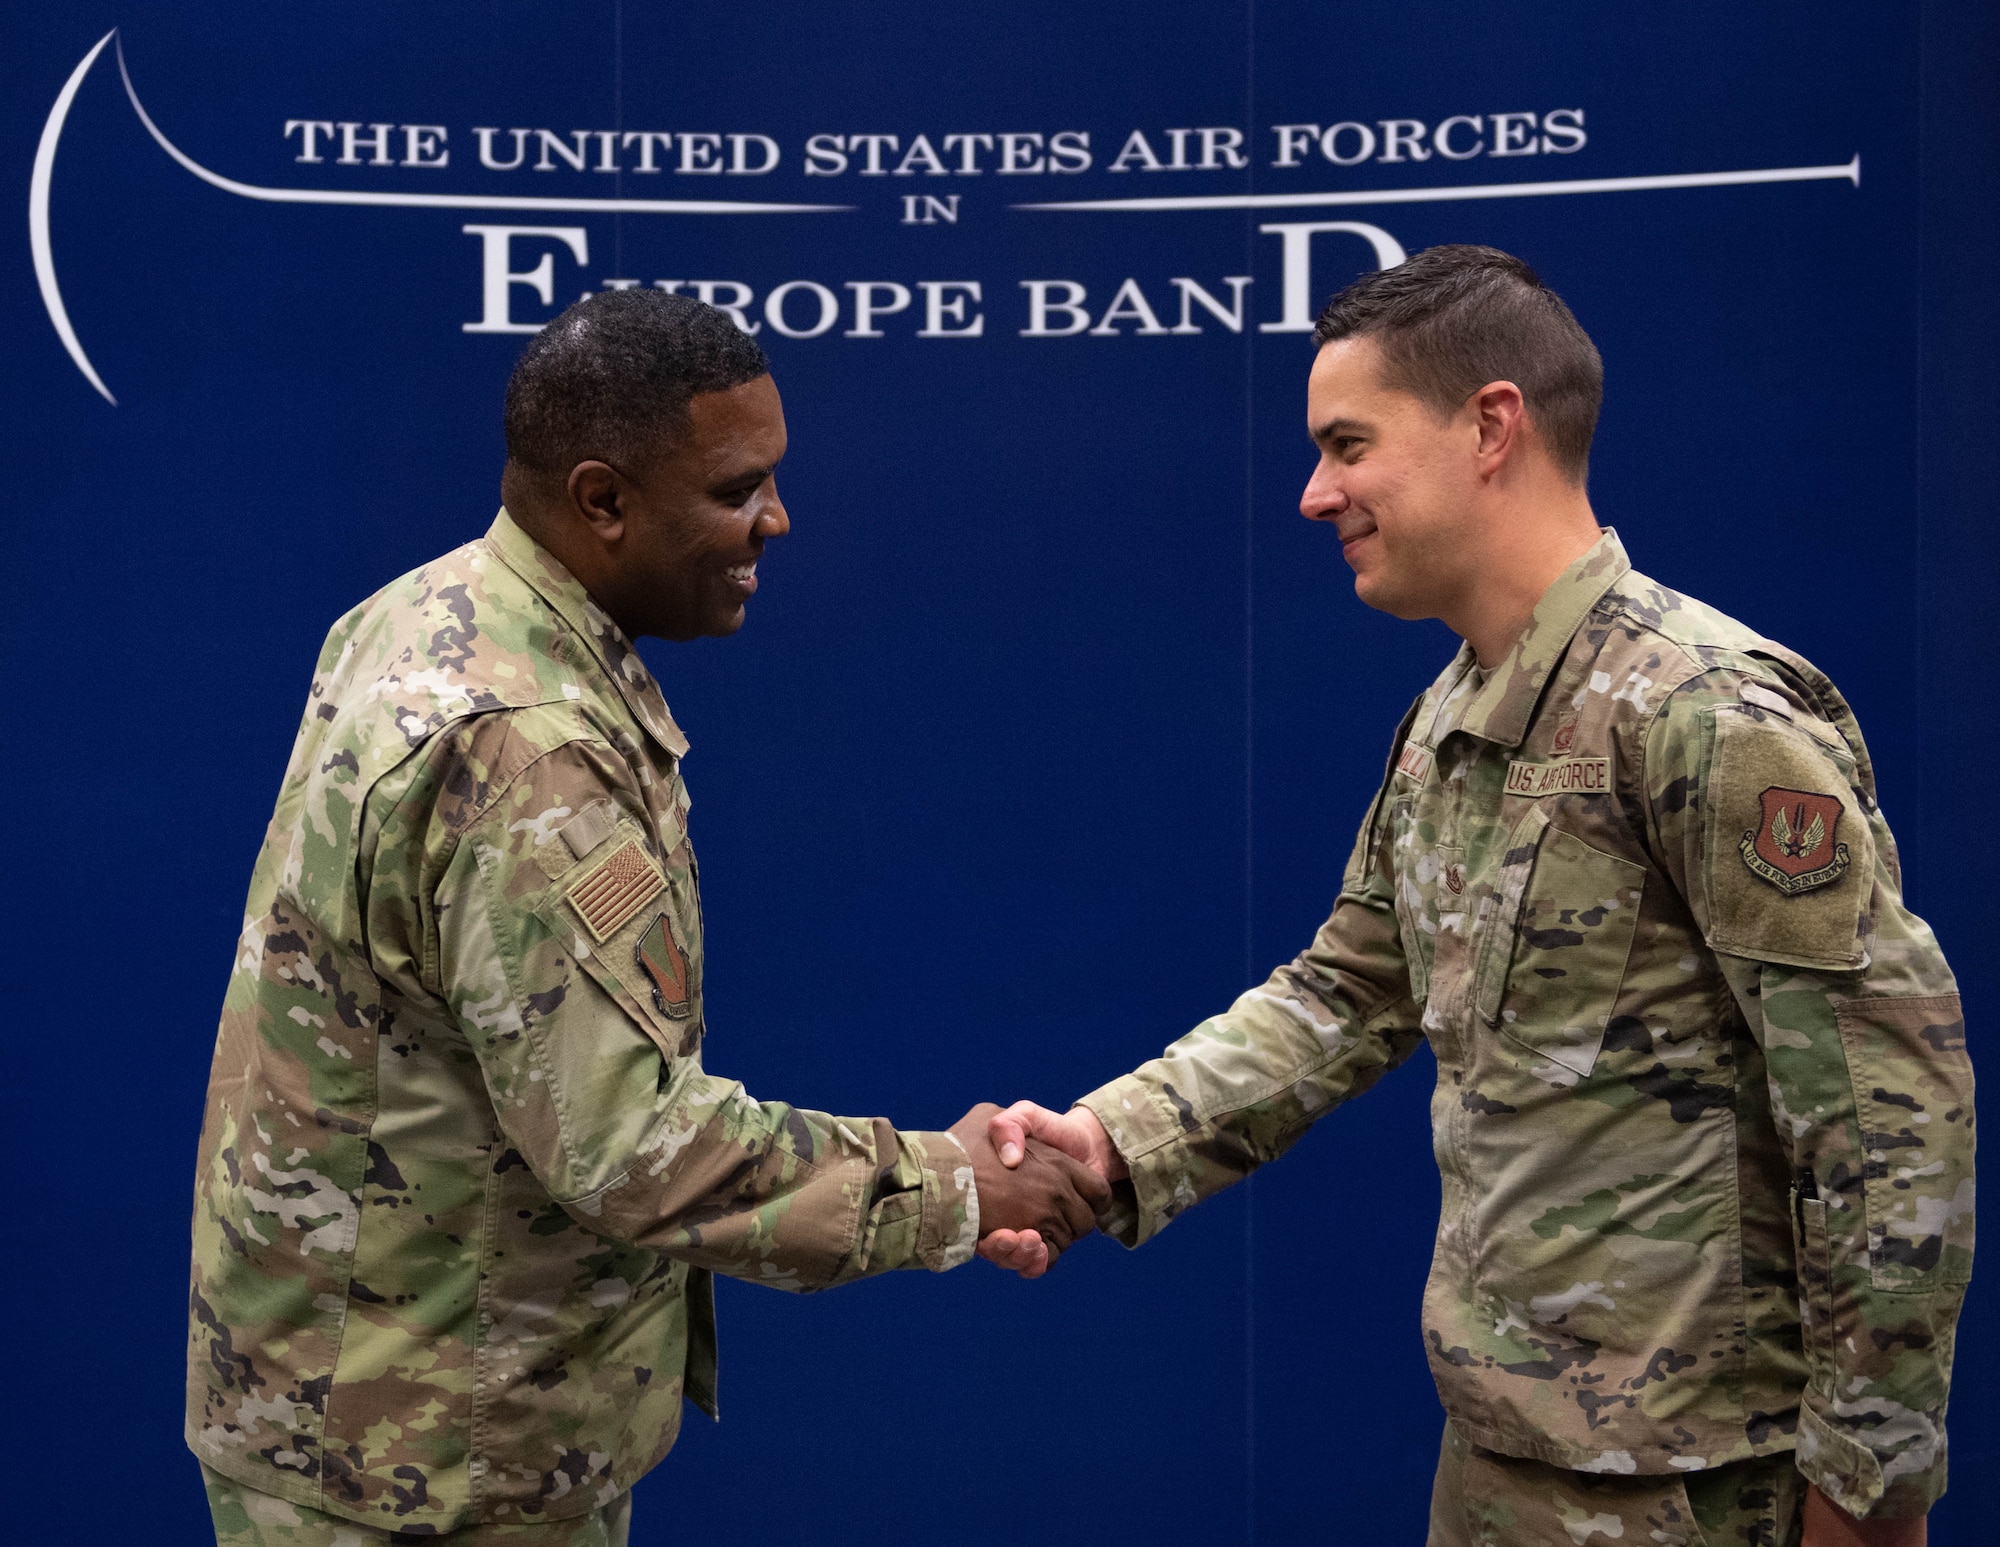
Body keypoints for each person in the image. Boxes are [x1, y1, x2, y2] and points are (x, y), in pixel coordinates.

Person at [983, 246, 1972, 1547]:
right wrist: (1112, 1146)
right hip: (1501, 1456)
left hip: (1698, 1487)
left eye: (1348, 443)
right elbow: (1343, 995)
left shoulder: (1707, 712)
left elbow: (1890, 1123)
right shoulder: (1451, 717)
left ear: (1490, 426)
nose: (1312, 491)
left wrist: (1867, 1487)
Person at [186, 290, 1107, 1546]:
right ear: (602, 499)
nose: (774, 521)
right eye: (738, 490)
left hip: (376, 1404)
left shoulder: (423, 612)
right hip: (422, 1466)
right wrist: (956, 1184)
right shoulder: (524, 748)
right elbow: (628, 1144)